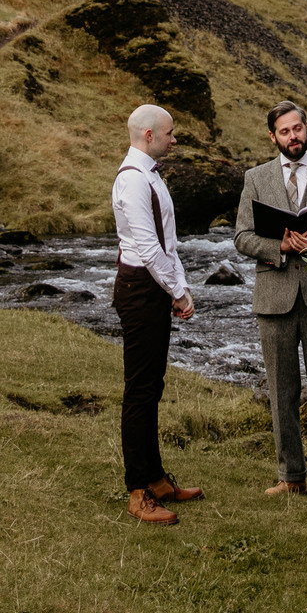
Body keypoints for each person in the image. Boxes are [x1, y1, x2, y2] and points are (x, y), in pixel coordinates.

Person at [234, 100, 307, 498]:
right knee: (281, 390)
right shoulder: (255, 178)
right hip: (274, 297)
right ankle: (290, 476)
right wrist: (279, 247)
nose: (293, 136)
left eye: (297, 128)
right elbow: (241, 237)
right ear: (273, 137)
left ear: (306, 127)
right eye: (284, 131)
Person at [112, 103, 201, 526]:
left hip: (153, 286)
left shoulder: (150, 175)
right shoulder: (132, 180)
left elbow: (169, 242)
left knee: (152, 385)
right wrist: (177, 293)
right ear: (149, 135)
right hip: (139, 289)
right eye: (170, 132)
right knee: (140, 390)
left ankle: (156, 478)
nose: (174, 138)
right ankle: (138, 491)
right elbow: (148, 247)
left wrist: (178, 285)